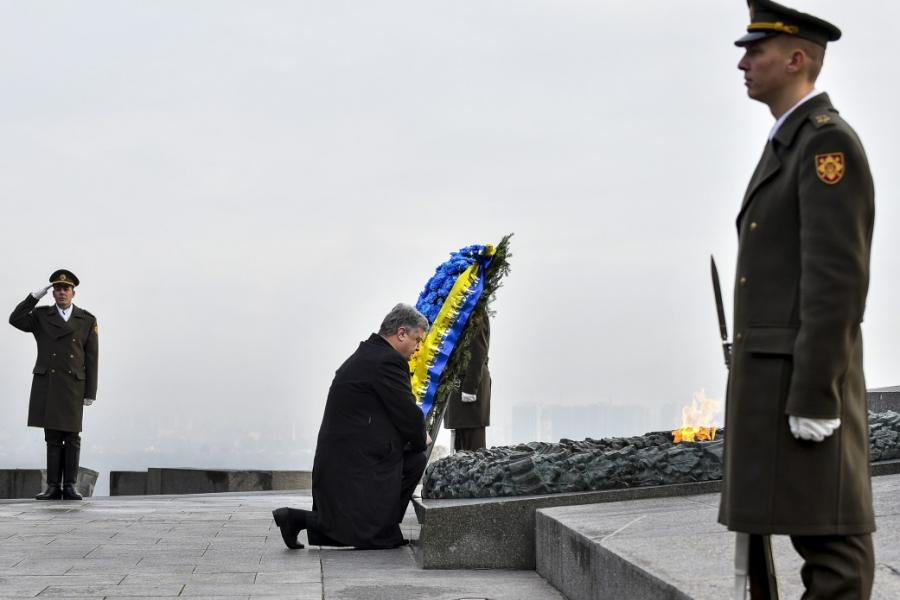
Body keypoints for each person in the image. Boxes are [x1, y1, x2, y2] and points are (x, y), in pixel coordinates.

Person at [719, 1, 876, 598]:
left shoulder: (825, 146)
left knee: (833, 542)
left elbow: (835, 282)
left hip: (803, 383)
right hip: (771, 380)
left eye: (755, 51)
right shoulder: (786, 144)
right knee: (780, 533)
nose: (742, 62)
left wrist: (817, 394)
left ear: (797, 58)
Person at [273, 303, 429, 549]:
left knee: (358, 524)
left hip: (343, 459)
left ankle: (295, 519)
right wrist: (422, 438)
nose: (418, 348)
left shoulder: (369, 354)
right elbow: (407, 413)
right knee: (417, 458)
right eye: (417, 340)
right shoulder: (387, 361)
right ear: (401, 333)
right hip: (356, 463)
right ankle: (382, 530)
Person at [9, 269, 99, 501]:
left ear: (73, 293)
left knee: (71, 436)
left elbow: (91, 358)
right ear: (53, 293)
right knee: (52, 437)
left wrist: (90, 392)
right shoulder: (40, 316)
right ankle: (52, 487)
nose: (61, 293)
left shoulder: (86, 319)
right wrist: (33, 297)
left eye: (65, 289)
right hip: (49, 382)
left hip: (73, 385)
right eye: (57, 289)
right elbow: (15, 319)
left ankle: (69, 486)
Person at [445, 317, 491, 451]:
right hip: (458, 384)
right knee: (460, 444)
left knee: (473, 449)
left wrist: (470, 388)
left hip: (468, 386)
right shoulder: (459, 311)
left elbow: (478, 351)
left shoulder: (476, 312)